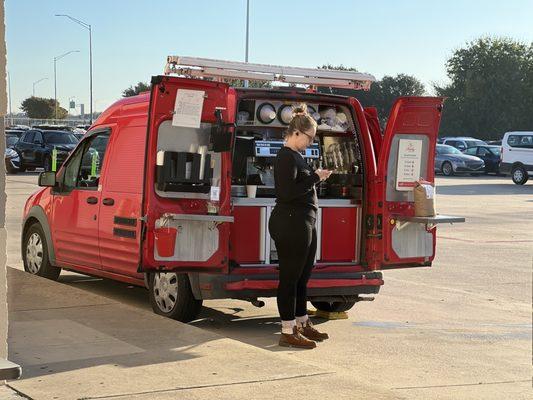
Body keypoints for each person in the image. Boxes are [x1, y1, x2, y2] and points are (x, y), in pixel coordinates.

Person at [268, 104, 333, 349]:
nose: (310, 142)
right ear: (296, 133)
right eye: (309, 137)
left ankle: (302, 322)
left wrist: (316, 175)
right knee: (290, 278)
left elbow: (299, 186)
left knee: (302, 277)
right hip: (291, 222)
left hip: (304, 221)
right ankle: (287, 329)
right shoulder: (286, 157)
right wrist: (316, 177)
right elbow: (288, 192)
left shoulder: (297, 157)